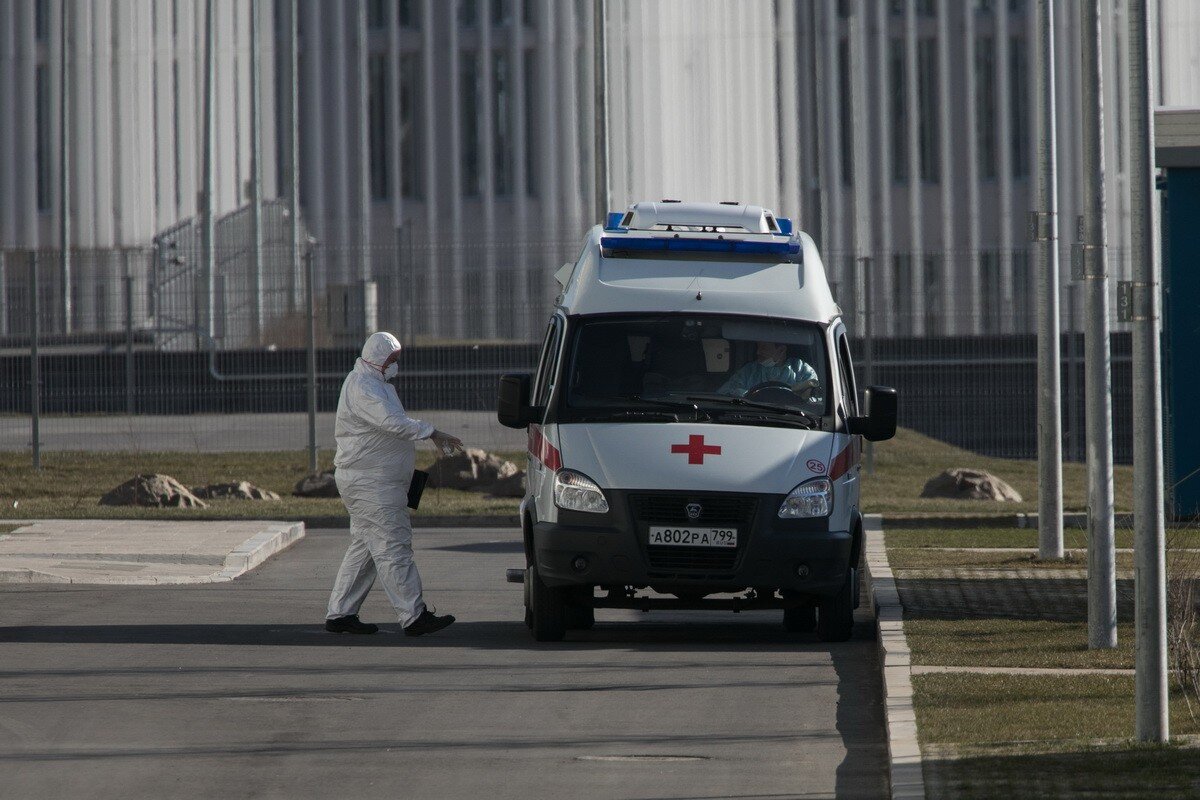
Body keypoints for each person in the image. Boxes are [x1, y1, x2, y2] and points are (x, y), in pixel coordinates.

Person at [325, 331, 464, 637]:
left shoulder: (376, 384)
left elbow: (392, 425)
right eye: (392, 360)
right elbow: (392, 422)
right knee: (393, 546)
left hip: (377, 481)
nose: (395, 365)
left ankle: (340, 613)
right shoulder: (363, 386)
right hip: (371, 483)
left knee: (364, 548)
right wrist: (432, 432)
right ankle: (413, 615)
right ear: (377, 359)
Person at [717, 340, 819, 398]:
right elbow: (724, 392)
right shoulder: (749, 371)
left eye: (763, 348)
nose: (758, 352)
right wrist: (749, 395)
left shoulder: (801, 369)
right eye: (758, 347)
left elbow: (816, 399)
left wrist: (801, 395)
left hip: (793, 419)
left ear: (781, 350)